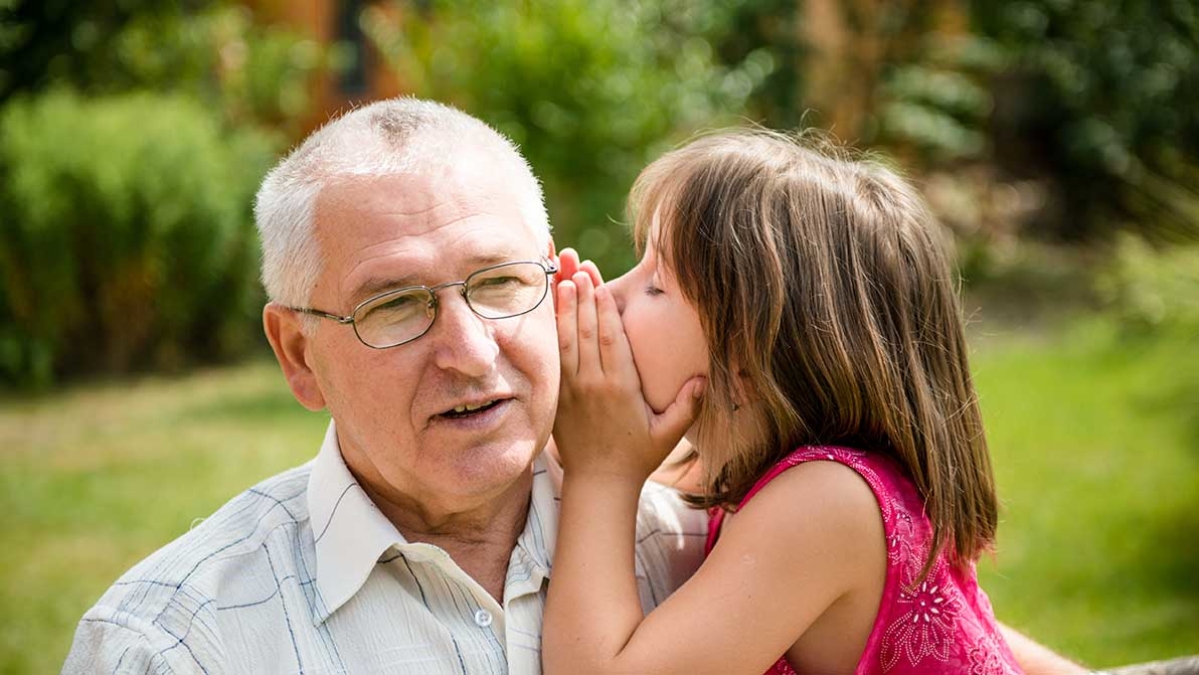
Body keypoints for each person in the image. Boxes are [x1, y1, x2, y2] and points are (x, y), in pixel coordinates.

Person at [62, 98, 708, 674]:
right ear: (298, 354)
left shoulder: (702, 557)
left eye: (496, 282)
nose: (470, 352)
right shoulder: (172, 647)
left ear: (558, 288)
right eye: (395, 305)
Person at [543, 129, 1089, 674]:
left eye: (656, 285)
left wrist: (603, 472)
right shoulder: (773, 477)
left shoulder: (824, 503)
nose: (608, 293)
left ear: (752, 357)